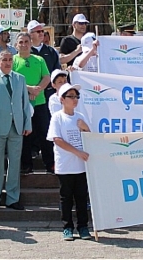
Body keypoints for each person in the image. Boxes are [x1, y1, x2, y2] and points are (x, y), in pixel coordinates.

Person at [0, 51, 33, 211]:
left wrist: (27, 124)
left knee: (15, 164)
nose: (8, 62)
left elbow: (24, 104)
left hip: (16, 127)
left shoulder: (20, 79)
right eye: (4, 60)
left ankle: (12, 198)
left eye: (10, 60)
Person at [47, 82, 92, 241]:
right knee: (66, 198)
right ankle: (67, 227)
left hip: (81, 166)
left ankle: (83, 226)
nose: (75, 99)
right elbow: (57, 140)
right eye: (71, 96)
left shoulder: (80, 117)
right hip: (65, 165)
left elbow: (90, 137)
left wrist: (85, 127)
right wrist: (77, 152)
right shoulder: (57, 118)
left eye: (76, 96)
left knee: (81, 197)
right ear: (62, 99)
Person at [13, 33, 52, 174]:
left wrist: (38, 90)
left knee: (45, 134)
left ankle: (50, 164)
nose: (24, 44)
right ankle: (26, 165)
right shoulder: (12, 60)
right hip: (21, 105)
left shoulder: (39, 59)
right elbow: (11, 80)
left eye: (26, 42)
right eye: (21, 42)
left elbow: (47, 77)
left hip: (40, 102)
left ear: (31, 43)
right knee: (25, 136)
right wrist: (29, 89)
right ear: (16, 45)